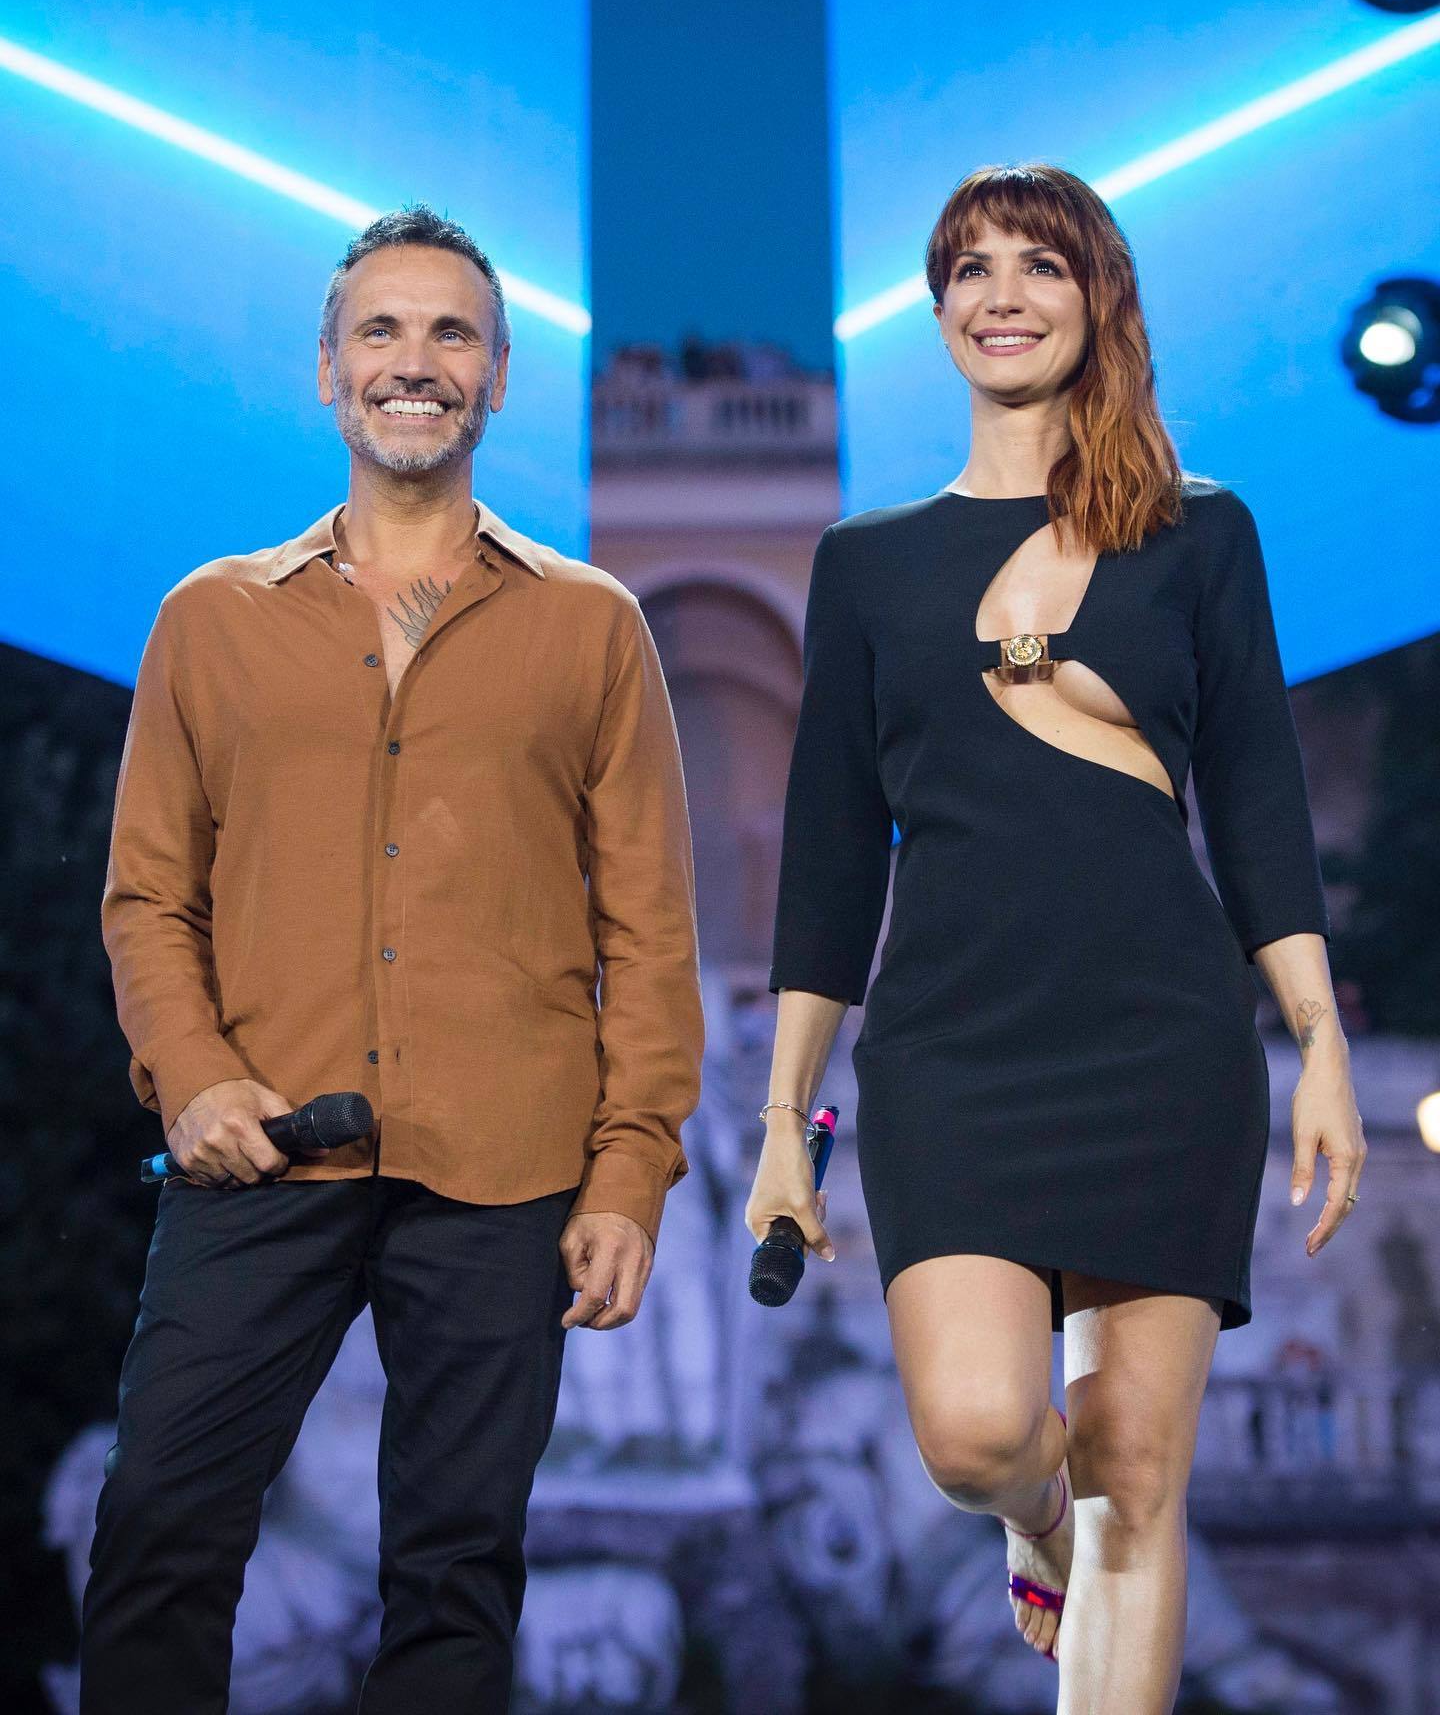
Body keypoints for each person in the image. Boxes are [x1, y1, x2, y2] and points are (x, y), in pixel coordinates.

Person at [747, 164, 1365, 1713]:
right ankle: (1036, 1519)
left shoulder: (1202, 536)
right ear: (937, 308)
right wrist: (782, 1123)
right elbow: (830, 860)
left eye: (1040, 264)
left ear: (1099, 299)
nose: (1002, 294)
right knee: (976, 1436)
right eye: (970, 267)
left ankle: (1085, 1544)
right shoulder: (867, 563)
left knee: (1139, 1478)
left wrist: (1321, 1044)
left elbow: (1260, 803)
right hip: (952, 1051)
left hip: (1165, 1045)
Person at [82, 205, 704, 1714]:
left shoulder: (594, 628)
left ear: (497, 377)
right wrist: (193, 1079)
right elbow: (147, 895)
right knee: (160, 1532)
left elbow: (648, 927)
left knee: (456, 1574)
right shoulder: (209, 620)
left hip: (507, 1166)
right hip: (260, 1148)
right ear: (328, 370)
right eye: (381, 330)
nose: (414, 362)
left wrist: (630, 1171)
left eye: (450, 335)